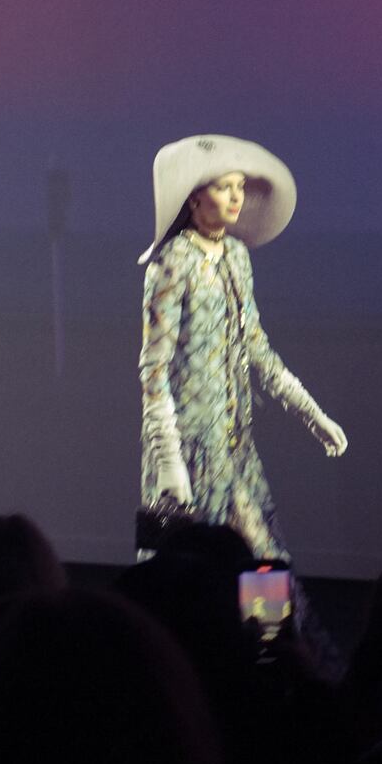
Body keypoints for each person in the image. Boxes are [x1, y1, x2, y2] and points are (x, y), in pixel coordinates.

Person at [138, 134, 346, 560]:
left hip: (233, 445)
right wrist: (168, 459)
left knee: (263, 561)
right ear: (193, 199)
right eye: (223, 187)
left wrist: (312, 414)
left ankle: (270, 630)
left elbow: (256, 348)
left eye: (239, 187)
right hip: (190, 449)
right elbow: (154, 369)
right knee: (190, 575)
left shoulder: (235, 255)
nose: (236, 197)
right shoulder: (173, 262)